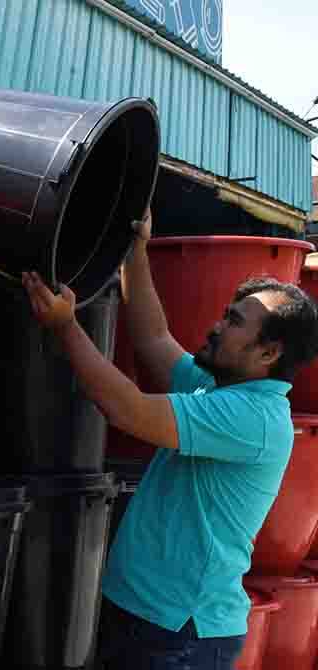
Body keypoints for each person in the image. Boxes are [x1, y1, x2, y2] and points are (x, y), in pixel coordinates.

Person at [22, 207, 318, 670]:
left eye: (235, 322)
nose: (217, 326)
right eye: (225, 315)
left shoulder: (253, 417)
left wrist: (66, 326)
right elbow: (154, 340)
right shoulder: (217, 387)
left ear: (268, 352)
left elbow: (127, 408)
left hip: (179, 632)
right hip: (145, 614)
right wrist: (135, 252)